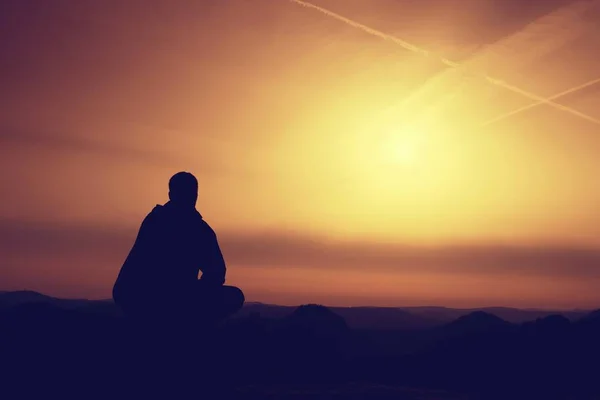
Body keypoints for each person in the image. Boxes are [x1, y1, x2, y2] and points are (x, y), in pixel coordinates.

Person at [112, 171, 244, 326]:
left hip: (134, 294)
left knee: (232, 296)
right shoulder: (187, 227)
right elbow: (216, 272)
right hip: (143, 295)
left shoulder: (156, 219)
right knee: (233, 296)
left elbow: (216, 272)